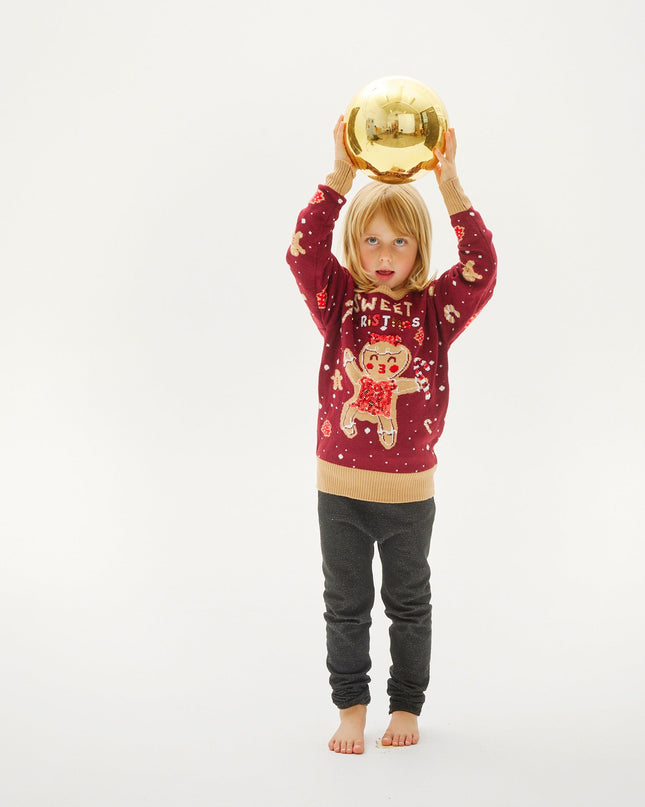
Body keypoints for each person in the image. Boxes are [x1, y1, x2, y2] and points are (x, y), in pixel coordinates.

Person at [287, 116, 497, 754]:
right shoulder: (338, 300)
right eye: (372, 241)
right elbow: (304, 248)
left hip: (409, 497)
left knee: (409, 605)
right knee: (345, 606)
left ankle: (405, 705)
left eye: (400, 243)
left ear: (419, 252)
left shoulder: (436, 310)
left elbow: (481, 267)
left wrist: (451, 187)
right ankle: (351, 707)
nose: (384, 256)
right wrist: (341, 176)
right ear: (355, 246)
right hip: (340, 492)